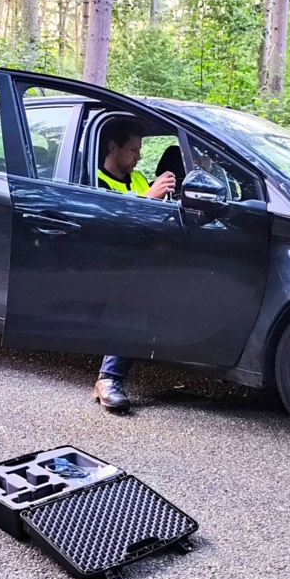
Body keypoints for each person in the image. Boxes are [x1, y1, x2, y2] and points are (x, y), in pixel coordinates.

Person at [93, 119, 178, 412]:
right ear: (112, 148)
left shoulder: (139, 178)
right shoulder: (96, 181)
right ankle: (108, 378)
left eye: (139, 150)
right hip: (107, 263)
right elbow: (108, 223)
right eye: (132, 149)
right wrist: (149, 198)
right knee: (134, 290)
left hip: (149, 256)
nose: (138, 156)